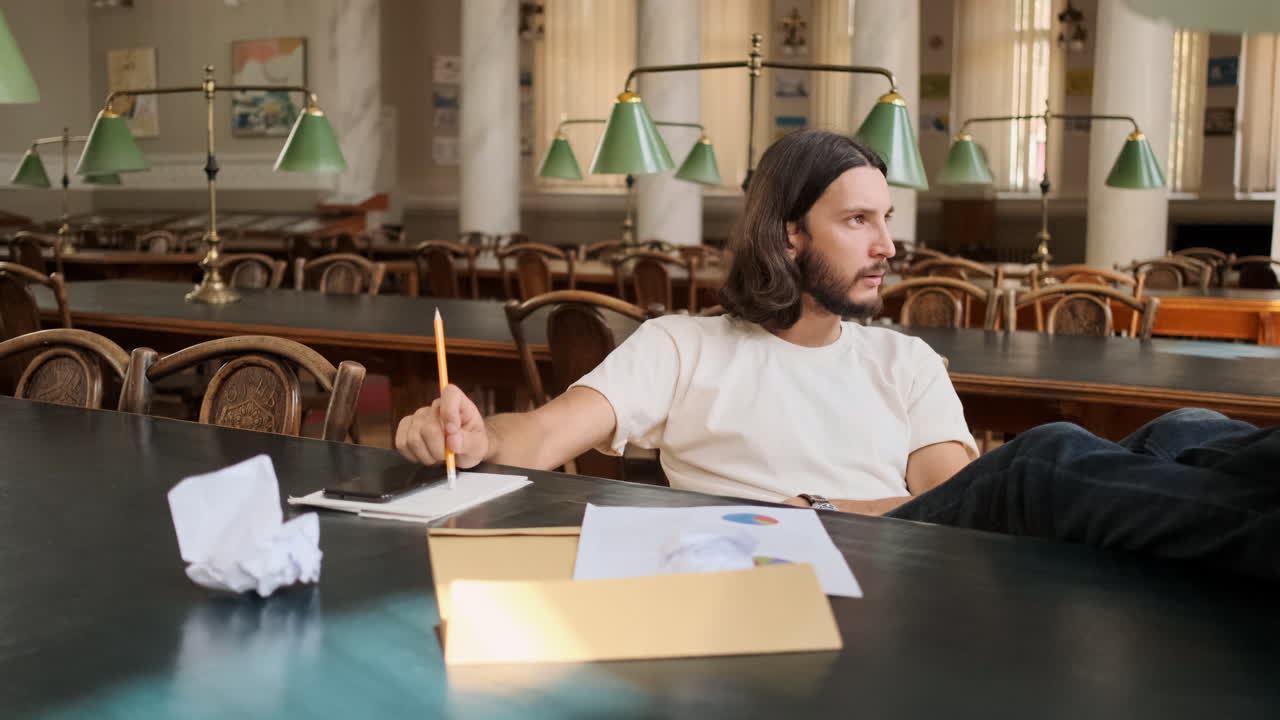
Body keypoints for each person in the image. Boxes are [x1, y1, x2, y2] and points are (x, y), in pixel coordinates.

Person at [397, 130, 1278, 581]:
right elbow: (541, 436)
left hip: (914, 559)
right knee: (1044, 462)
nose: (887, 244)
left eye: (886, 220)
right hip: (804, 576)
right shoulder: (683, 346)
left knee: (1186, 429)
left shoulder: (904, 361)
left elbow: (960, 502)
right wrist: (475, 436)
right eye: (859, 220)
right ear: (788, 235)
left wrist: (825, 504)